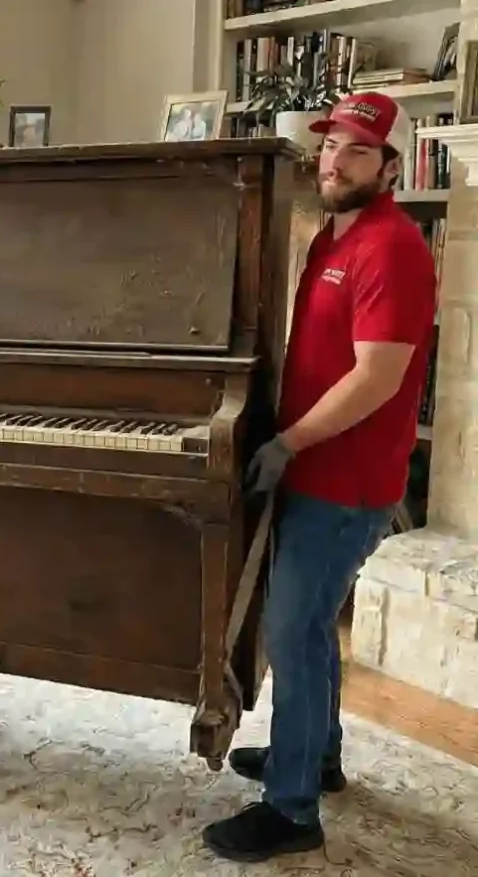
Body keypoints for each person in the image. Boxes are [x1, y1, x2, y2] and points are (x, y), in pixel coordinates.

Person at [202, 92, 438, 863]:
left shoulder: (393, 248)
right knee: (309, 628)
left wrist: (291, 441)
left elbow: (377, 378)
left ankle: (293, 808)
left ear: (392, 166)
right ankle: (318, 754)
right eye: (331, 145)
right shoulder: (334, 237)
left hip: (348, 481)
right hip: (312, 466)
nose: (334, 160)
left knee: (293, 632)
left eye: (357, 151)